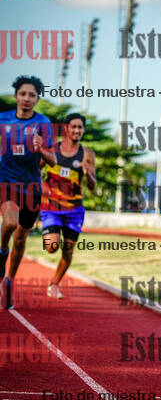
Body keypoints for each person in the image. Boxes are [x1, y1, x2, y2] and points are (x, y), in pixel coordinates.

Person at [0, 75, 55, 309]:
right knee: (10, 224)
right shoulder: (3, 119)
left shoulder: (43, 123)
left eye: (32, 95)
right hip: (6, 181)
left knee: (22, 237)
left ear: (37, 99)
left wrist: (40, 148)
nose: (27, 98)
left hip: (31, 186)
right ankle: (2, 252)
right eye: (23, 94)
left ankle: (9, 280)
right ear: (16, 96)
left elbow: (53, 160)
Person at [41, 113, 96, 299]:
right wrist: (41, 186)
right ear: (66, 128)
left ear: (83, 130)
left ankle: (54, 284)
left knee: (68, 250)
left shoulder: (87, 154)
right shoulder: (52, 149)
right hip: (52, 207)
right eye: (74, 126)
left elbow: (92, 186)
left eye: (80, 127)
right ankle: (49, 232)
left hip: (74, 210)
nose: (77, 130)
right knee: (52, 246)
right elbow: (36, 169)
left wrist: (88, 174)